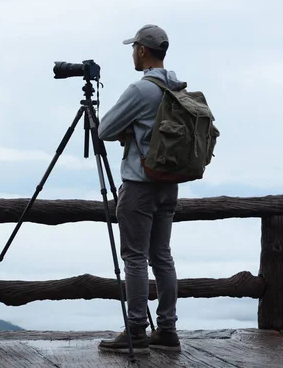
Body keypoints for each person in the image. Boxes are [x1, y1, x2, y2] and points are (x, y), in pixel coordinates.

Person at [96, 24, 182, 354]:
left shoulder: (140, 90)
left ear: (143, 51)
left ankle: (135, 331)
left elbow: (104, 128)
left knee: (134, 257)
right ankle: (168, 330)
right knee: (162, 256)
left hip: (139, 184)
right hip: (168, 184)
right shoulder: (177, 87)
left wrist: (129, 132)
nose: (133, 52)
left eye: (134, 48)